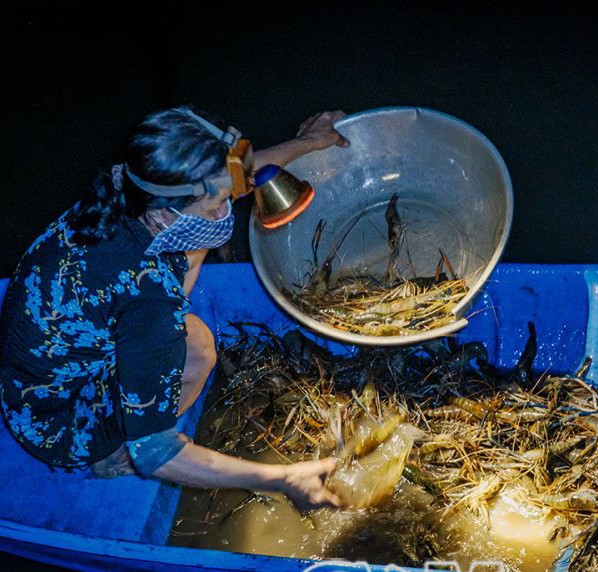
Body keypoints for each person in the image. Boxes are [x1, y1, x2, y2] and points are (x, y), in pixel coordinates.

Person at [0, 104, 349, 511]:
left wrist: (311, 142)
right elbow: (157, 452)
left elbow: (229, 178)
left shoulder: (129, 189)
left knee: (195, 262)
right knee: (199, 350)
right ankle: (111, 455)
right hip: (57, 417)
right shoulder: (147, 297)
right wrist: (285, 478)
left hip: (44, 363)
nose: (227, 212)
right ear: (164, 213)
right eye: (216, 205)